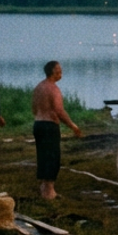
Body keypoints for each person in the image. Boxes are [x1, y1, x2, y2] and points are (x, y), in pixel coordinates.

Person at [32, 61, 83, 200]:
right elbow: (59, 110)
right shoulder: (53, 89)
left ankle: (44, 186)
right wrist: (72, 126)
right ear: (53, 72)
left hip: (38, 124)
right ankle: (49, 190)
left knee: (43, 155)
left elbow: (34, 108)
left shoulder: (39, 87)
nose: (61, 72)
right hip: (49, 126)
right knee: (52, 157)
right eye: (59, 70)